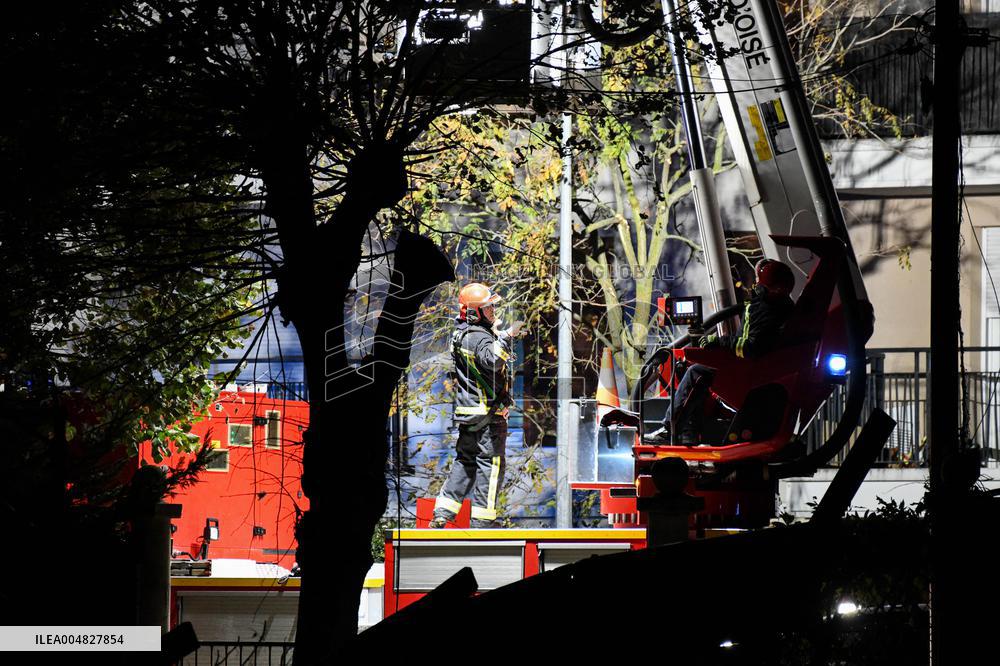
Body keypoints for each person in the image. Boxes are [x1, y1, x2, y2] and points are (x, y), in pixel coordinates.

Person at [667, 259, 797, 445]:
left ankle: (670, 429)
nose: (754, 286)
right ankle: (689, 433)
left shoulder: (759, 310)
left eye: (758, 282)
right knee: (700, 367)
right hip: (766, 377)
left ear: (764, 288)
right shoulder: (787, 309)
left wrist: (715, 342)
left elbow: (748, 347)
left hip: (748, 376)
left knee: (695, 371)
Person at [430, 283, 524, 528]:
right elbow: (491, 360)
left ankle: (443, 511)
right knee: (491, 465)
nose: (493, 310)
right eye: (488, 307)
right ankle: (484, 520)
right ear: (474, 312)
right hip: (487, 415)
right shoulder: (477, 336)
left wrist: (495, 333)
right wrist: (507, 336)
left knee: (465, 461)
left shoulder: (462, 334)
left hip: (470, 413)